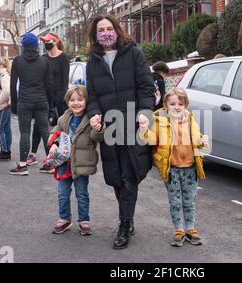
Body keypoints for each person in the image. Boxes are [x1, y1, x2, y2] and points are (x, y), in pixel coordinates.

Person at [86, 14, 155, 249]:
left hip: (133, 126)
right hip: (109, 127)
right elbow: (92, 96)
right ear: (95, 35)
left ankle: (124, 225)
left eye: (109, 28)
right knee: (115, 177)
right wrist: (94, 113)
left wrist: (146, 111)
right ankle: (129, 216)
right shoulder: (93, 62)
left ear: (117, 29)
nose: (105, 32)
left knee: (129, 176)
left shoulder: (133, 53)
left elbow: (146, 86)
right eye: (100, 30)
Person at [139, 87, 209, 247]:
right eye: (173, 103)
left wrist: (203, 141)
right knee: (175, 201)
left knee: (189, 200)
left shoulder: (191, 119)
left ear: (186, 105)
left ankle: (190, 229)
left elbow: (197, 141)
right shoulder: (159, 121)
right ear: (165, 105)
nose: (177, 107)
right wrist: (143, 129)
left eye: (181, 103)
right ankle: (179, 230)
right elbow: (151, 140)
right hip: (172, 168)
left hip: (191, 168)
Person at [47, 86, 105, 235]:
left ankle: (84, 220)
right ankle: (64, 219)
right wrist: (53, 144)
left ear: (86, 101)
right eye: (72, 100)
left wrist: (98, 128)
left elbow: (97, 137)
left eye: (80, 99)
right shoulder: (63, 118)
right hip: (64, 164)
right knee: (62, 193)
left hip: (81, 164)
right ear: (67, 102)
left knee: (82, 193)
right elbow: (55, 133)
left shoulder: (90, 120)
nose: (76, 103)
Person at [10, 32, 53, 175]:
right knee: (45, 131)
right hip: (41, 100)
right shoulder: (44, 61)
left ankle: (22, 166)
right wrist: (50, 104)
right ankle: (50, 163)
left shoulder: (17, 61)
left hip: (24, 101)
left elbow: (13, 84)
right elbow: (49, 85)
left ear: (24, 46)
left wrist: (14, 105)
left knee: (25, 133)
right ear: (36, 46)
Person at [26, 33, 69, 172]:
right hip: (44, 97)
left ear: (55, 42)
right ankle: (33, 154)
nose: (45, 44)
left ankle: (62, 154)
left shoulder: (63, 58)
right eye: (43, 42)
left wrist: (60, 98)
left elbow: (64, 81)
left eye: (47, 41)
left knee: (61, 128)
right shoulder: (43, 58)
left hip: (59, 98)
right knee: (38, 125)